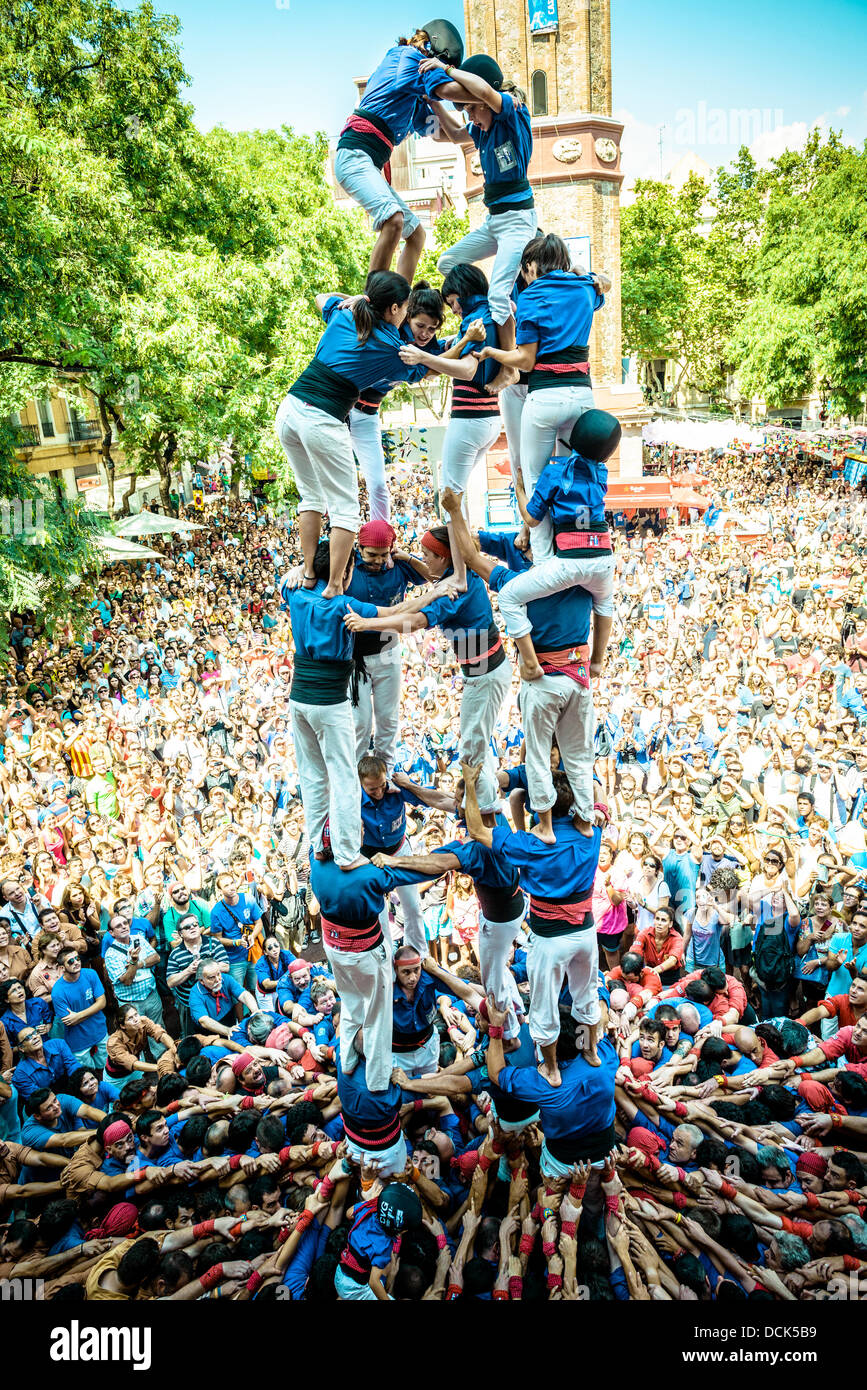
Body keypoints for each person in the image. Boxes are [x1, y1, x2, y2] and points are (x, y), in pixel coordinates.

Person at [463, 764, 602, 1078]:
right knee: (586, 996)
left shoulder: (532, 845)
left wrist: (472, 787)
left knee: (544, 1007)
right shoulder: (591, 832)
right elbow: (597, 794)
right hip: (585, 932)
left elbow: (477, 831)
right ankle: (590, 1051)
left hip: (549, 939)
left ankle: (551, 1068)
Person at [431, 53, 536, 391]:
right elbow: (451, 135)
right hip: (496, 222)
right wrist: (433, 104)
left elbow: (486, 96)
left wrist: (446, 70)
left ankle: (509, 365)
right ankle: (487, 312)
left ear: (485, 99)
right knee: (448, 262)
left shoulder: (511, 113)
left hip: (519, 221)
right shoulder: (482, 131)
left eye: (473, 108)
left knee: (499, 294)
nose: (473, 116)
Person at [332, 21, 468, 280]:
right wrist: (485, 94)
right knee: (393, 220)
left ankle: (398, 307)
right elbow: (446, 89)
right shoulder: (404, 58)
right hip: (353, 156)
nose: (438, 71)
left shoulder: (413, 101)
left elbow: (440, 134)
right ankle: (374, 304)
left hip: (367, 162)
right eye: (439, 64)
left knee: (416, 235)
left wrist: (438, 105)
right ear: (430, 49)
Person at [50, 947, 108, 1070]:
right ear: (61, 968)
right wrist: (93, 1008)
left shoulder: (91, 974)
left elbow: (102, 1002)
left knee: (106, 1069)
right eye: (70, 961)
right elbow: (70, 1021)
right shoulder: (58, 991)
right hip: (78, 1042)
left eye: (77, 958)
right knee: (88, 1076)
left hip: (99, 1031)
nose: (76, 962)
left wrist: (78, 1015)